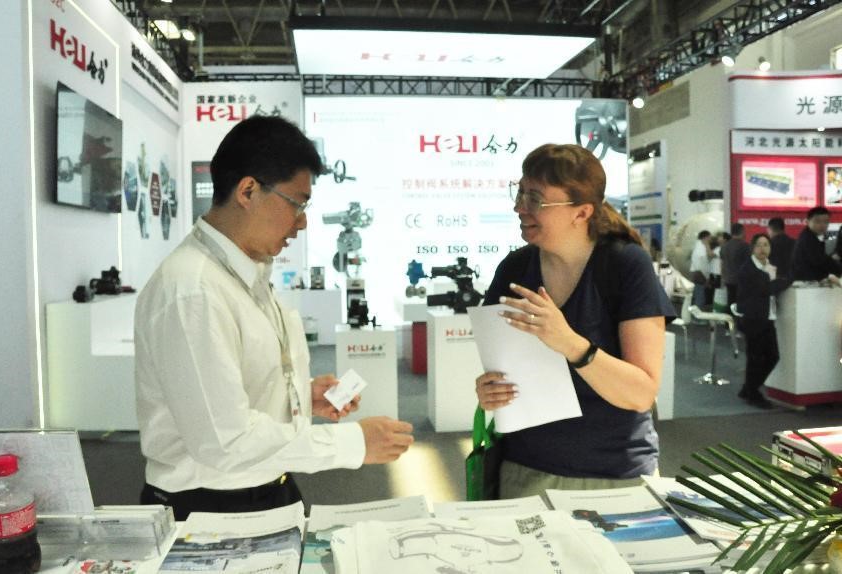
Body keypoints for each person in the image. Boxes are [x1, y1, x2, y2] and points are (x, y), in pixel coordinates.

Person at [135, 116, 414, 520]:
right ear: (248, 190)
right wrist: (353, 443)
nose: (303, 222)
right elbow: (225, 442)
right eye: (297, 204)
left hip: (267, 489)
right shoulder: (193, 290)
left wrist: (298, 394)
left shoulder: (245, 273)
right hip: (212, 510)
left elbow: (228, 386)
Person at [474, 144, 675, 496]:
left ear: (581, 212)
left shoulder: (625, 265)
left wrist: (569, 342)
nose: (520, 207)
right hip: (526, 469)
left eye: (536, 199)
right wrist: (489, 391)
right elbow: (506, 371)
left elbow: (642, 393)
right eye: (520, 193)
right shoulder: (514, 269)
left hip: (616, 473)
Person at [735, 234, 792, 409]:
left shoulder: (769, 266)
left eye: (766, 245)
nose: (762, 249)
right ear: (753, 248)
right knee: (756, 358)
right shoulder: (748, 269)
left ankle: (748, 388)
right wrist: (785, 281)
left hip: (767, 317)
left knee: (772, 356)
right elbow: (765, 289)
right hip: (753, 318)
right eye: (759, 245)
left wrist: (779, 280)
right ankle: (753, 393)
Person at [790, 206, 842, 282]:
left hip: (807, 281)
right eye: (817, 221)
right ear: (807, 222)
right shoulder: (808, 239)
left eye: (826, 222)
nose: (822, 225)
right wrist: (838, 270)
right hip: (804, 283)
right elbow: (821, 261)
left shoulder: (812, 236)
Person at [719, 223, 750, 316]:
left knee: (730, 301)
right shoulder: (744, 246)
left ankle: (729, 321)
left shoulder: (724, 246)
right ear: (742, 232)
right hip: (741, 280)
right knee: (741, 303)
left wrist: (723, 278)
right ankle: (739, 321)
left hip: (728, 279)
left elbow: (722, 263)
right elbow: (749, 264)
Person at [689, 230, 715, 310]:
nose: (711, 239)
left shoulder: (698, 246)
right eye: (710, 237)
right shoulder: (701, 247)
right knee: (700, 296)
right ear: (705, 237)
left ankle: (694, 313)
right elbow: (703, 263)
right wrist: (706, 277)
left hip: (697, 272)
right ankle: (697, 315)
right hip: (700, 273)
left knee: (697, 294)